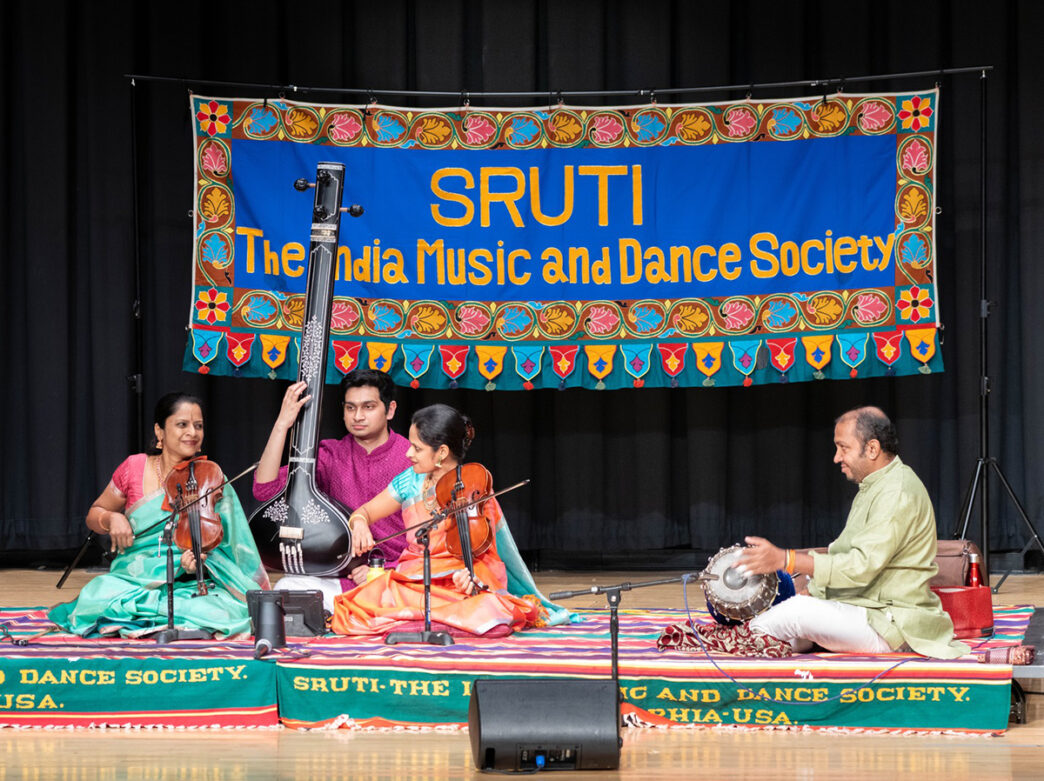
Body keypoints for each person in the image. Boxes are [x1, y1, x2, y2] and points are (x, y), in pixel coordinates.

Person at [658, 406, 969, 659]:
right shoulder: (877, 485)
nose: (836, 458)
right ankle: (755, 640)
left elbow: (860, 568)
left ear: (872, 449)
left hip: (890, 624)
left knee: (795, 612)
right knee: (794, 620)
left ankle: (732, 642)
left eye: (843, 448)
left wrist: (787, 559)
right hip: (866, 610)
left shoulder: (895, 492)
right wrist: (819, 588)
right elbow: (850, 558)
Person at [330, 403, 570, 638]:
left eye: (417, 448)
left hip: (459, 582)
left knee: (491, 609)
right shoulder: (409, 482)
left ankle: (414, 622)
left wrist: (471, 578)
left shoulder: (475, 489)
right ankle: (442, 623)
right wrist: (359, 522)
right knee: (360, 602)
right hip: (414, 578)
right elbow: (364, 512)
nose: (408, 453)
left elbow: (486, 557)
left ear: (441, 453)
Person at [49, 393, 270, 639]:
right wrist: (112, 519)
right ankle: (171, 623)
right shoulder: (133, 467)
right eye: (182, 424)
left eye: (198, 426)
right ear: (160, 431)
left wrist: (199, 562)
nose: (193, 433)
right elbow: (94, 515)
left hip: (188, 583)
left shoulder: (210, 479)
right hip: (132, 577)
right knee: (97, 593)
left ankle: (146, 621)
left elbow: (230, 546)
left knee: (225, 612)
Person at [253, 369, 411, 609]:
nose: (358, 416)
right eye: (350, 408)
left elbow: (429, 534)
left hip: (398, 576)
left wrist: (383, 571)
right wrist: (282, 425)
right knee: (285, 589)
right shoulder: (330, 456)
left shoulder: (412, 457)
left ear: (390, 410)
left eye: (368, 407)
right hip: (342, 580)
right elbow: (264, 490)